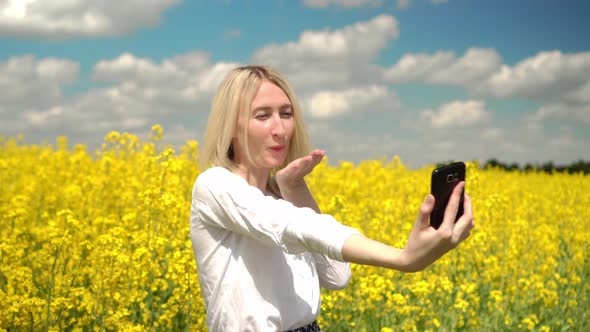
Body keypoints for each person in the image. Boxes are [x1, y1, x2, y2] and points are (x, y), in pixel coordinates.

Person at [189, 65, 474, 332]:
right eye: (262, 116)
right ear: (232, 127)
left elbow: (337, 276)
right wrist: (403, 258)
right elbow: (292, 226)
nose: (280, 129)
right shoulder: (215, 185)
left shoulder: (278, 196)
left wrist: (294, 187)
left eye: (286, 114)